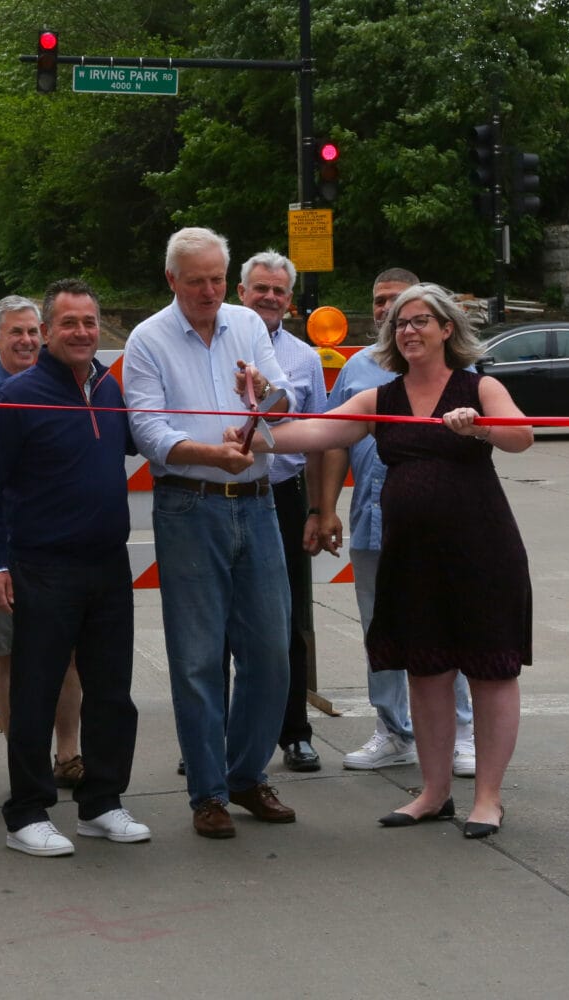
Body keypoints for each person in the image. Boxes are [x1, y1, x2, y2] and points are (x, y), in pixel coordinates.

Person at [250, 283, 531, 837]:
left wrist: (480, 425)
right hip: (411, 557)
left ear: (447, 329)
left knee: (491, 670)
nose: (408, 330)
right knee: (425, 670)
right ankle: (433, 793)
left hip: (480, 553)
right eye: (400, 323)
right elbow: (321, 429)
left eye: (420, 320)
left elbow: (520, 436)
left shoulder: (480, 386)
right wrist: (258, 436)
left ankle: (489, 799)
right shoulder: (383, 397)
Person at [122, 227, 297, 840]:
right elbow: (148, 432)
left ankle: (246, 773)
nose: (208, 291)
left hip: (257, 502)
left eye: (217, 279)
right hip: (189, 506)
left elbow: (284, 404)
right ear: (171, 280)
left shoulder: (246, 325)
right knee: (197, 659)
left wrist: (265, 390)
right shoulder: (147, 340)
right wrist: (207, 451)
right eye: (195, 280)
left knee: (272, 652)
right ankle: (209, 793)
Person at [0, 279, 146, 857]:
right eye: (69, 323)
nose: (81, 333)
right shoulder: (16, 397)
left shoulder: (109, 389)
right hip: (40, 566)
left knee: (113, 693)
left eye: (90, 323)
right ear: (46, 332)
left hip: (107, 566)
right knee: (36, 691)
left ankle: (102, 803)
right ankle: (27, 811)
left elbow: (148, 441)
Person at [319, 270, 475, 775]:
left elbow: (506, 434)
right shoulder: (359, 368)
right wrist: (324, 508)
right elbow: (332, 437)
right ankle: (392, 730)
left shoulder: (462, 374)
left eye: (403, 305)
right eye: (381, 301)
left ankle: (462, 734)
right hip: (373, 518)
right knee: (380, 628)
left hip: (441, 522)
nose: (389, 311)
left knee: (448, 624)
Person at [0, 295, 85, 788]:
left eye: (30, 332)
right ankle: (24, 757)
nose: (24, 341)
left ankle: (68, 753)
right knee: (10, 654)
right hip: (6, 550)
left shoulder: (65, 387)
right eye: (13, 333)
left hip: (61, 552)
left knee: (68, 656)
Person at [235, 251, 328, 773]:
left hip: (284, 496)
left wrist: (319, 508)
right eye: (259, 288)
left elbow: (320, 441)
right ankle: (225, 736)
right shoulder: (219, 343)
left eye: (278, 291)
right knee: (228, 622)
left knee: (289, 619)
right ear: (241, 292)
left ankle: (295, 732)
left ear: (290, 302)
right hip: (227, 495)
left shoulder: (305, 359)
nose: (268, 297)